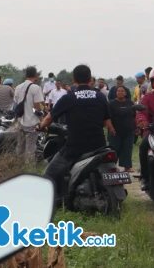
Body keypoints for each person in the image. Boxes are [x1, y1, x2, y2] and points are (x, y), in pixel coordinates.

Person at [38, 64, 115, 205]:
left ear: (74, 79)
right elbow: (106, 120)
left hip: (75, 146)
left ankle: (49, 202)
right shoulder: (100, 97)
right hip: (99, 145)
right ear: (90, 78)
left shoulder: (69, 98)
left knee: (49, 173)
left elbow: (49, 118)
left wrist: (41, 126)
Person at [14, 67, 45, 160]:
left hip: (20, 122)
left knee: (20, 147)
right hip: (31, 122)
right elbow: (37, 107)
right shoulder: (35, 88)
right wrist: (42, 122)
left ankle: (18, 167)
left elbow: (16, 104)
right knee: (30, 149)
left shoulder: (18, 87)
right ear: (36, 75)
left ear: (25, 75)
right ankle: (29, 170)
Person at [108, 86, 135, 172]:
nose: (120, 92)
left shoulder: (131, 103)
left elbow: (134, 116)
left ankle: (127, 167)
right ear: (116, 93)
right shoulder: (111, 104)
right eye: (118, 91)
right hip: (115, 131)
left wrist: (137, 127)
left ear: (126, 93)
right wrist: (111, 128)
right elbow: (107, 118)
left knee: (127, 149)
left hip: (129, 131)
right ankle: (112, 166)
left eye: (122, 91)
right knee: (114, 149)